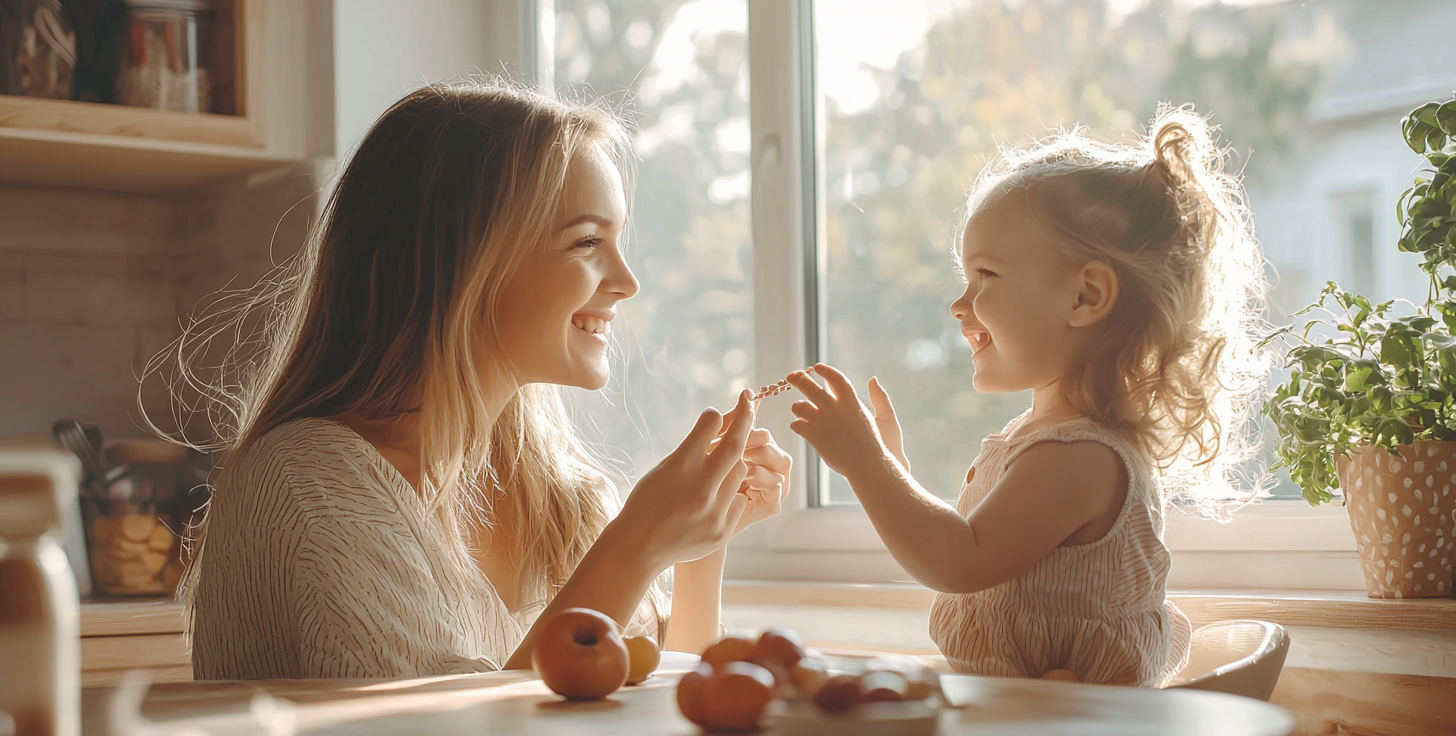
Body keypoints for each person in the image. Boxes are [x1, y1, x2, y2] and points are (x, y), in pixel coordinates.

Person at [170, 79, 791, 680]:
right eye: (586, 241)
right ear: (462, 262)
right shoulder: (310, 481)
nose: (627, 281)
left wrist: (697, 550)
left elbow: (657, 704)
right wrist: (637, 543)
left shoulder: (562, 499)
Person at [785, 106, 1269, 686]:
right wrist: (892, 467)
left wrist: (867, 465)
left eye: (985, 276)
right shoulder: (1043, 441)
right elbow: (970, 547)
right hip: (1026, 721)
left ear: (1085, 296)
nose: (960, 305)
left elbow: (960, 560)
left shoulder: (1081, 457)